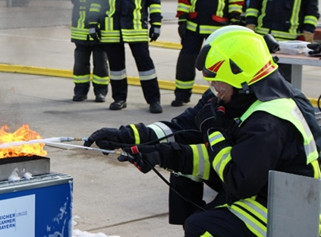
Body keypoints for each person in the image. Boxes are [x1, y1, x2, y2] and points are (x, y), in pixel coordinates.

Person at [84, 26, 321, 236]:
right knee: (186, 180)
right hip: (257, 187)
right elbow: (183, 128)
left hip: (291, 207)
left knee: (205, 228)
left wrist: (213, 131)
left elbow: (239, 175)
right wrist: (132, 140)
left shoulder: (274, 116)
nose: (213, 89)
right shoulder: (234, 96)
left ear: (241, 76)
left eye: (217, 82)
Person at [85, 0, 163, 113]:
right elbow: (96, 3)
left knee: (146, 67)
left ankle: (154, 100)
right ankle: (119, 99)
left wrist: (156, 24)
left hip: (136, 28)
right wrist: (92, 23)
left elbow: (154, 3)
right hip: (111, 29)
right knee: (116, 69)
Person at [171, 0, 244, 107]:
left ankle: (222, 95)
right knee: (186, 60)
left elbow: (235, 1)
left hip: (218, 26)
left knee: (220, 64)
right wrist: (182, 18)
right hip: (193, 25)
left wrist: (234, 18)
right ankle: (181, 95)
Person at [244, 0, 320, 82]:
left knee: (284, 82)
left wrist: (309, 29)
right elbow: (253, 6)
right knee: (259, 80)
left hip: (289, 45)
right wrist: (250, 23)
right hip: (263, 41)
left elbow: (312, 11)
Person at [70, 0, 110, 102]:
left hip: (99, 31)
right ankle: (80, 91)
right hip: (81, 30)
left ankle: (100, 91)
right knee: (80, 64)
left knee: (101, 63)